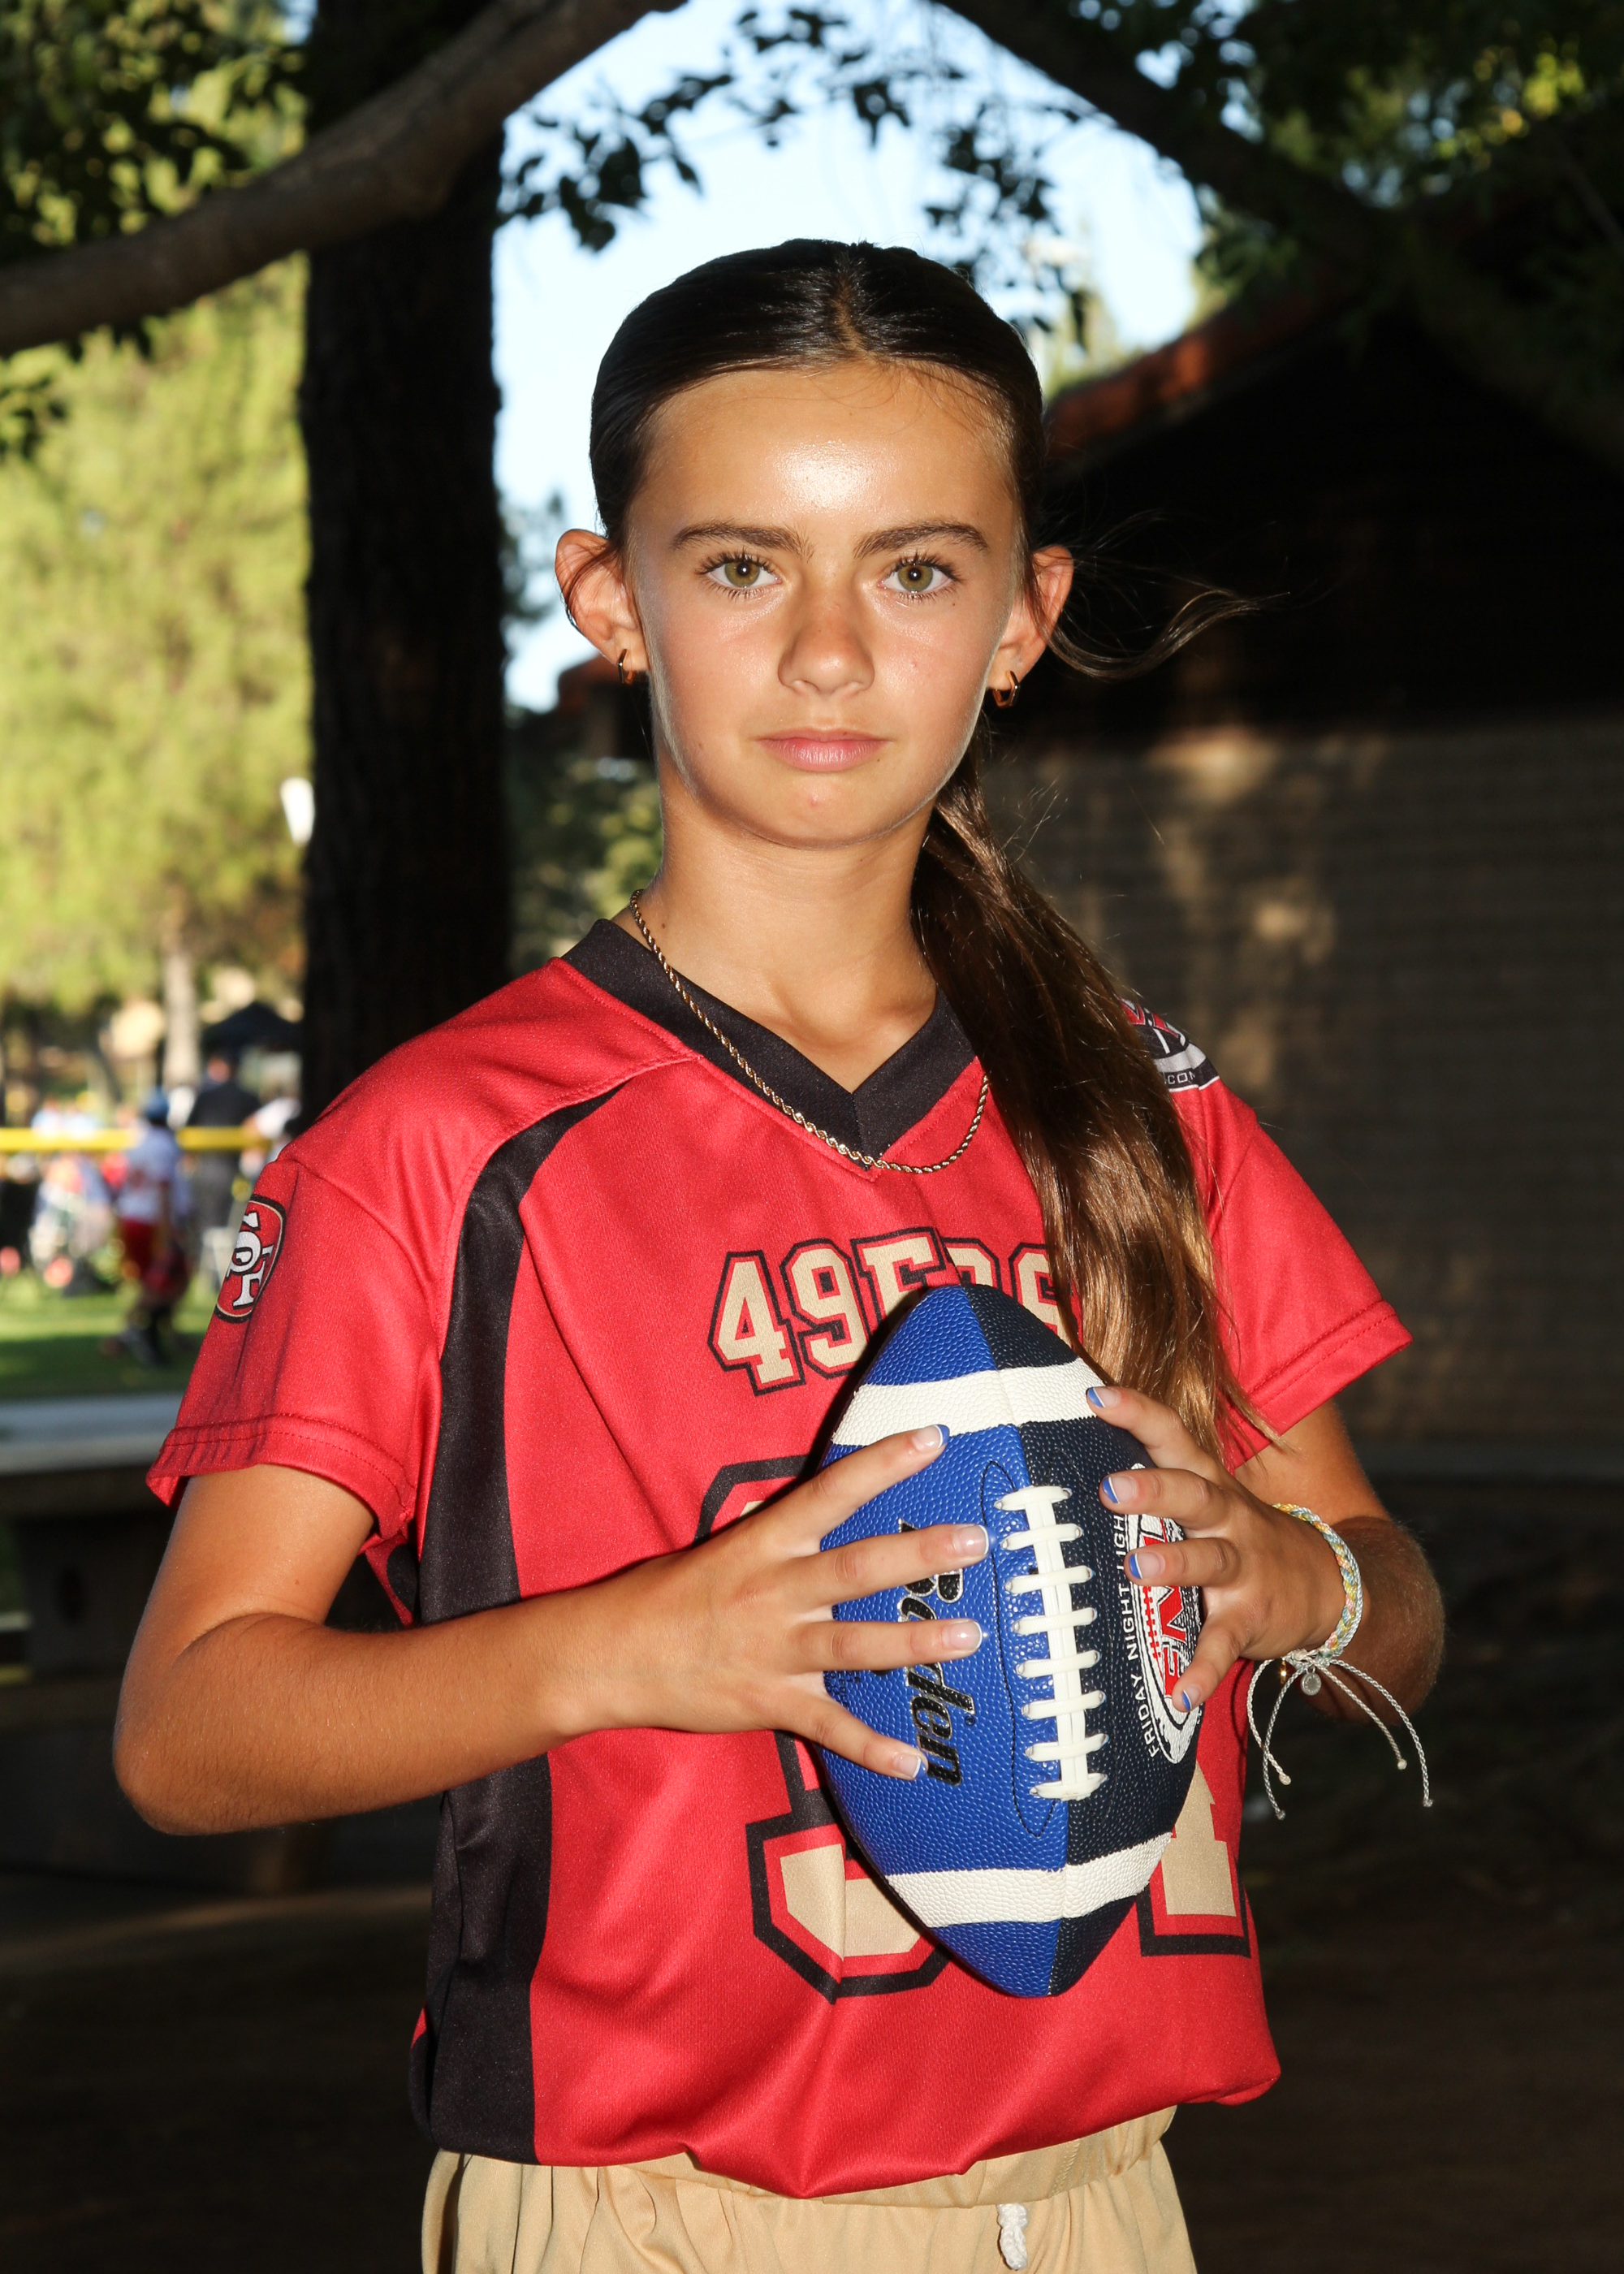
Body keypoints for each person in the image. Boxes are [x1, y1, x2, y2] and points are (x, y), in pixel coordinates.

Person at [118, 243, 1444, 2273]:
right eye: (741, 566)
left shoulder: (1141, 1111)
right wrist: (639, 1645)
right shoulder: (442, 1147)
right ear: (607, 601)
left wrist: (1293, 1580)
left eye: (913, 572)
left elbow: (1389, 1616)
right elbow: (188, 1729)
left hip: (1107, 2192)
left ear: (1022, 619)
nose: (828, 652)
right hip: (658, 2212)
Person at [105, 1090, 190, 1364]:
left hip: (133, 1217)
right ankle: (137, 1335)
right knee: (165, 1283)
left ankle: (158, 1333)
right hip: (152, 1222)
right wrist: (167, 1232)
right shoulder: (165, 1145)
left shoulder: (138, 1141)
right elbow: (163, 1189)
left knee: (158, 1283)